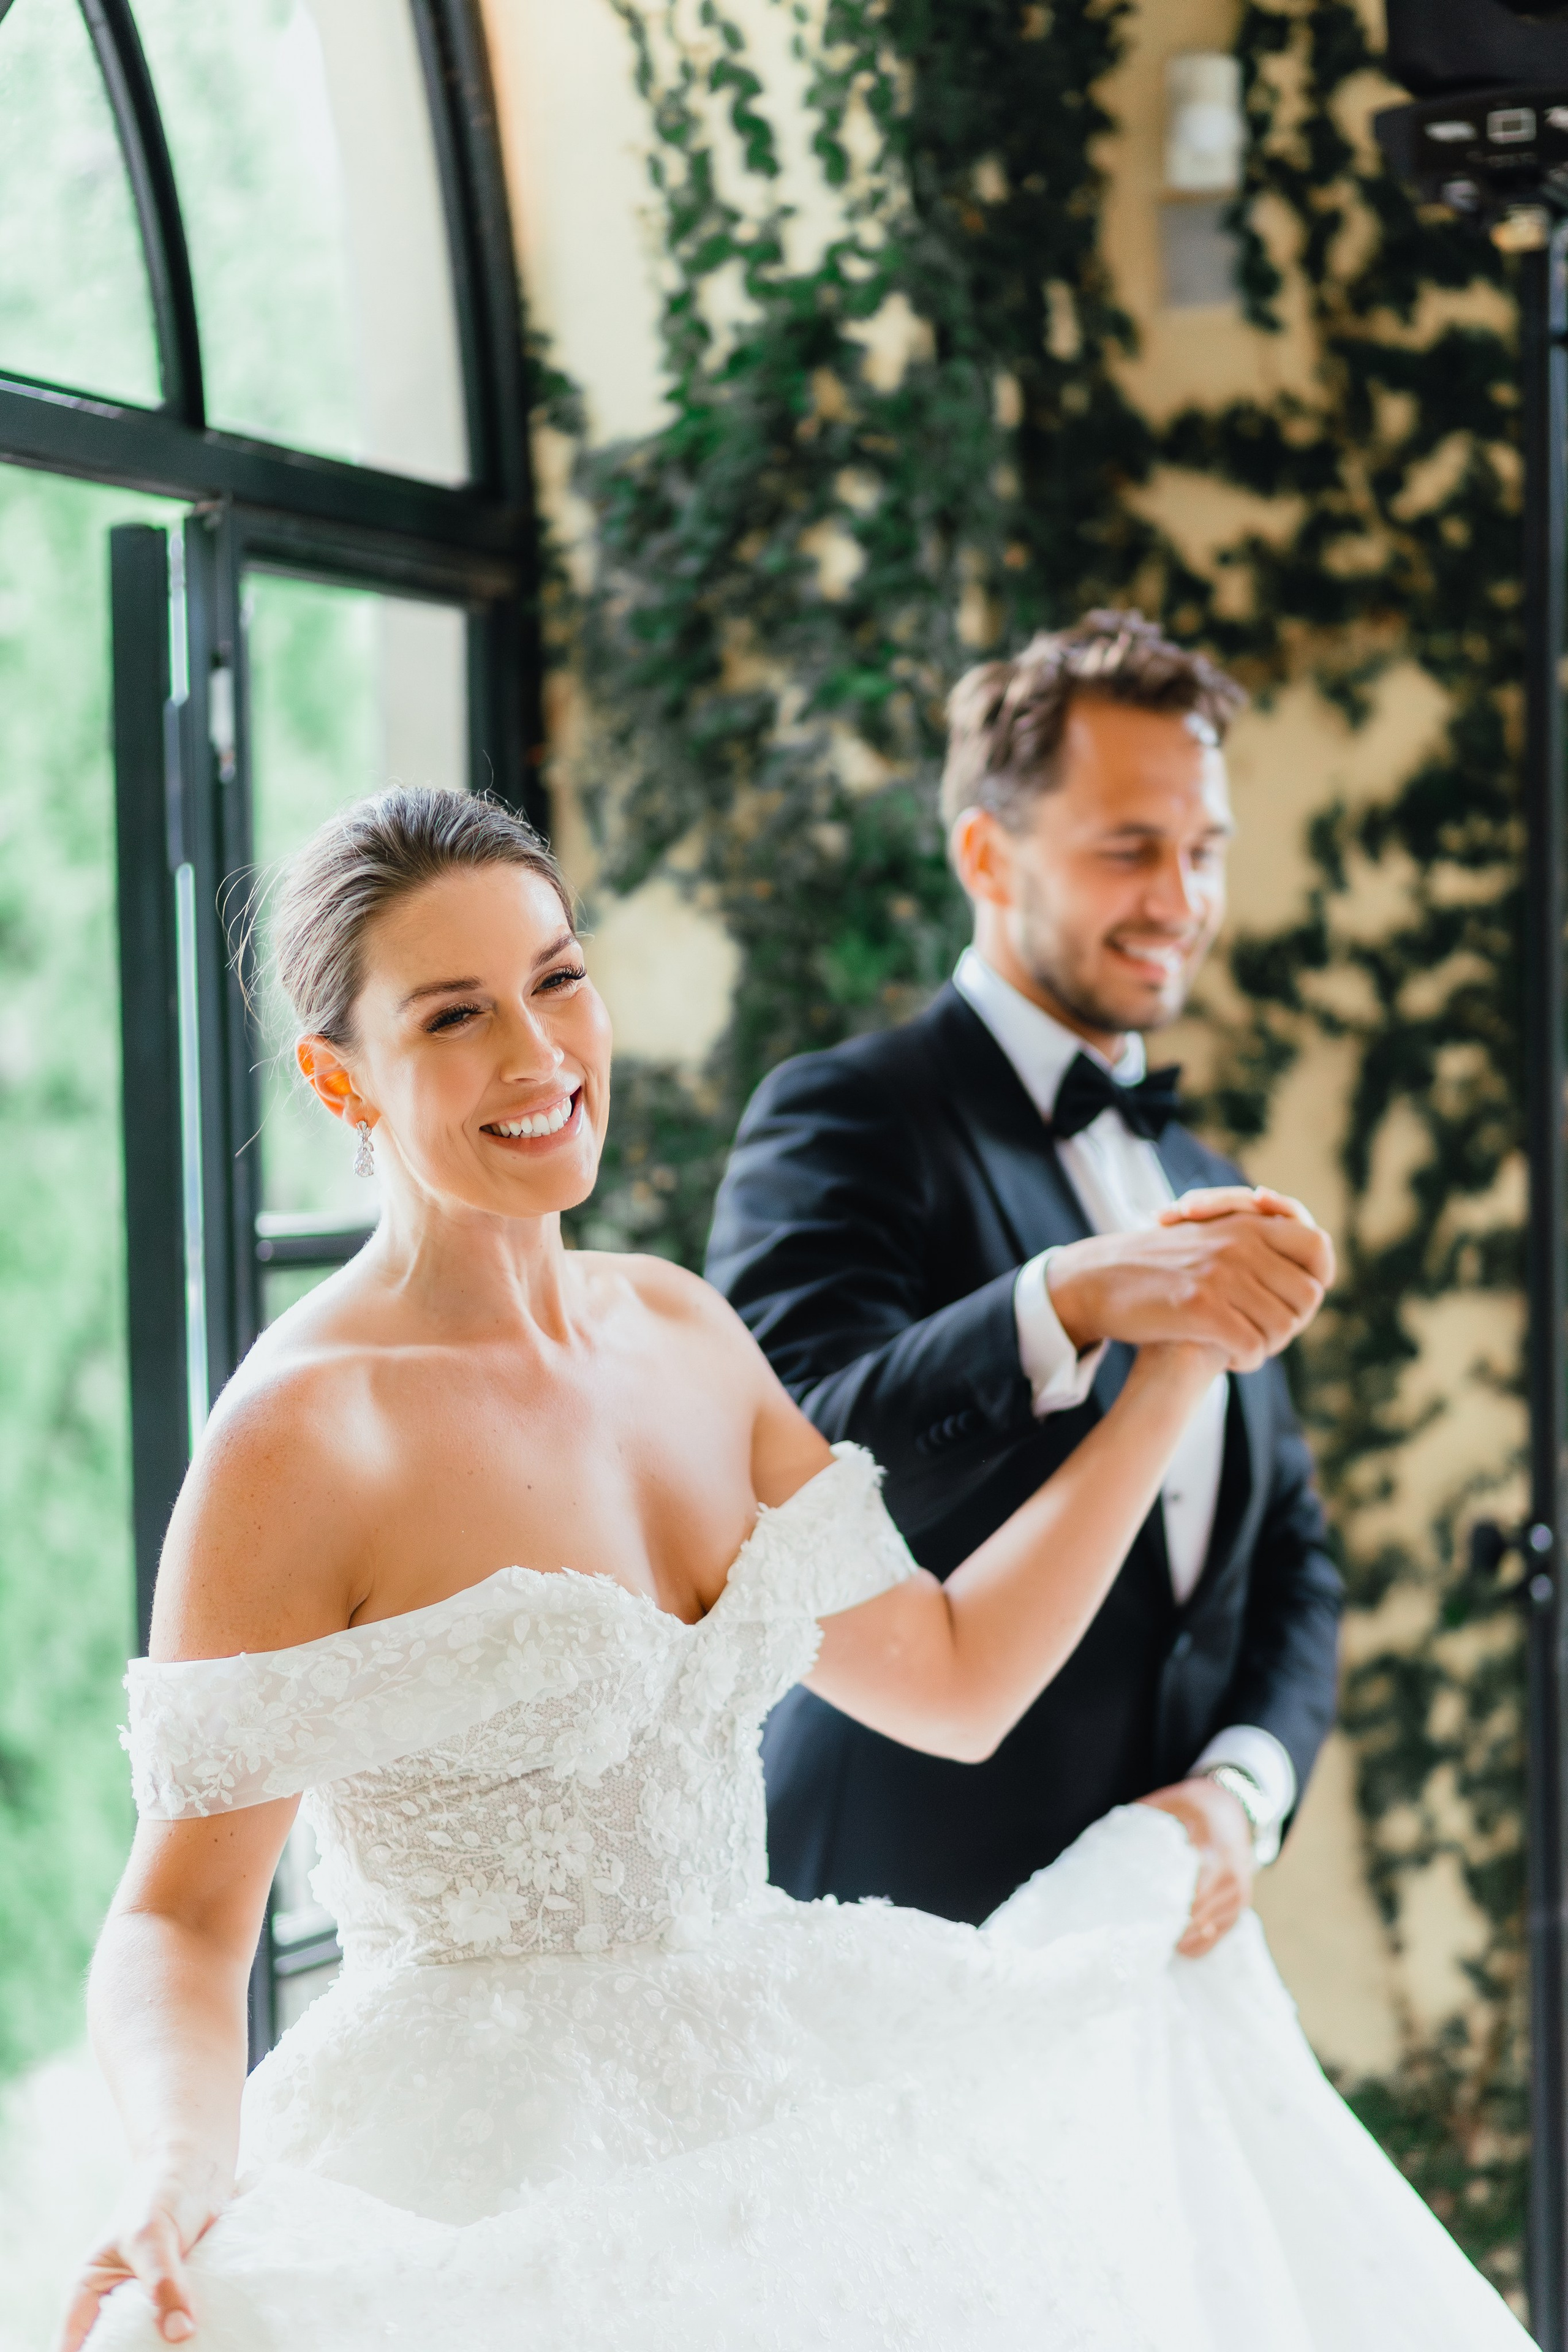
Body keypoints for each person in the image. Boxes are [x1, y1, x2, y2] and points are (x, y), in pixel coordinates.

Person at [64, 788, 1524, 2352]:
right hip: (493, 2183)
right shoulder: (301, 1436)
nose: (539, 1054)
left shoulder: (682, 1331)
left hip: (780, 2084)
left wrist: (1177, 1365)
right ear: (337, 1077)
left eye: (558, 980)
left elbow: (953, 1680)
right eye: (454, 1015)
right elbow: (180, 1919)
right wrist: (176, 2165)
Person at [706, 609, 1341, 1952]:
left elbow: (1289, 1552)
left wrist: (1241, 1792)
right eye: (1129, 849)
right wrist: (1068, 1297)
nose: (1181, 900)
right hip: (895, 1926)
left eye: (1203, 851)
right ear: (987, 855)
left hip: (1148, 1939)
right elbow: (792, 1469)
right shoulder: (845, 1117)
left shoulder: (1204, 1178)